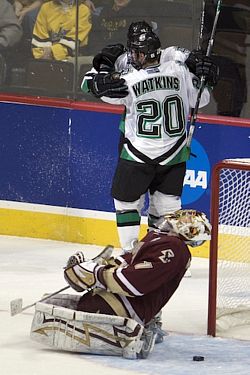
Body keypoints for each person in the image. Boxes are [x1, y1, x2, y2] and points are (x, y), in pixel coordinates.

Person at [82, 28, 218, 254]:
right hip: (174, 153)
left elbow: (90, 85)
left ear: (142, 54)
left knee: (126, 204)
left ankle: (128, 252)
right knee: (167, 206)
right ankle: (165, 254)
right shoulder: (179, 70)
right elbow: (201, 98)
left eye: (137, 53)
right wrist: (204, 77)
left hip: (137, 153)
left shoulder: (129, 79)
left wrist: (101, 71)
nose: (134, 57)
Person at [31, 209, 211, 358]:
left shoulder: (175, 248)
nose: (178, 218)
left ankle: (135, 331)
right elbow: (128, 261)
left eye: (184, 219)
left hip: (127, 309)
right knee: (84, 302)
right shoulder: (158, 237)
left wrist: (94, 274)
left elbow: (135, 284)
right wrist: (98, 265)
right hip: (121, 304)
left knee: (86, 304)